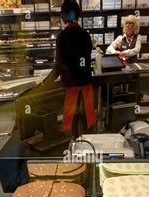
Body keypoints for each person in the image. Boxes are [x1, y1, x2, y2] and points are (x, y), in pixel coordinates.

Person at [55, 0, 97, 138]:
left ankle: (73, 145)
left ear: (67, 14)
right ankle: (89, 144)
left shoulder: (62, 36)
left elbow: (59, 65)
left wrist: (46, 82)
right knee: (87, 116)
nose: (61, 15)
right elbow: (85, 58)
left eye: (62, 13)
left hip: (71, 83)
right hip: (85, 81)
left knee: (71, 118)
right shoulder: (85, 35)